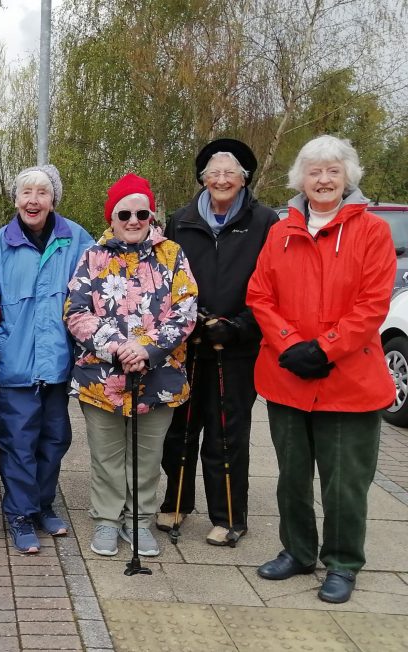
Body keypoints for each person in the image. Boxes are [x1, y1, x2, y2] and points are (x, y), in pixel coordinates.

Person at [247, 135, 394, 604]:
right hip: (288, 375)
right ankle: (297, 551)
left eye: (333, 170)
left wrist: (325, 349)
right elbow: (259, 294)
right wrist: (290, 343)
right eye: (315, 171)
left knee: (344, 482)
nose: (324, 179)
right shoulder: (280, 232)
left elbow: (372, 304)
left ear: (348, 177)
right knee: (291, 476)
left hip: (349, 381)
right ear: (301, 179)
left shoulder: (372, 232)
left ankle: (343, 562)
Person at [65, 173, 198, 559]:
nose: (134, 220)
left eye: (142, 213)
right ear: (112, 217)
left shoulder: (172, 254)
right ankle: (107, 519)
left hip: (158, 376)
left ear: (152, 216)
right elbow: (76, 312)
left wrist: (146, 349)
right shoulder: (93, 256)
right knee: (106, 455)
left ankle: (138, 520)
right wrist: (118, 348)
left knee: (148, 455)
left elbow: (186, 309)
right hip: (102, 377)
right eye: (125, 213)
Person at [156, 139, 279, 546]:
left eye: (230, 173)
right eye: (214, 173)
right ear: (203, 178)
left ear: (244, 179)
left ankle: (229, 515)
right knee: (179, 430)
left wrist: (240, 325)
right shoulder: (181, 220)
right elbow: (167, 278)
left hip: (237, 345)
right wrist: (186, 319)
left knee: (226, 432)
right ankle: (176, 501)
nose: (222, 180)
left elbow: (273, 284)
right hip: (188, 343)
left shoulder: (265, 222)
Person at [0, 164, 94, 553]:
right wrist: (0, 345)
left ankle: (42, 505)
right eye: (26, 192)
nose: (33, 200)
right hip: (15, 370)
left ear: (53, 199)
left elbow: (95, 293)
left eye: (42, 192)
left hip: (57, 367)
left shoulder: (76, 239)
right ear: (15, 200)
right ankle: (20, 515)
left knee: (55, 440)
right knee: (18, 445)